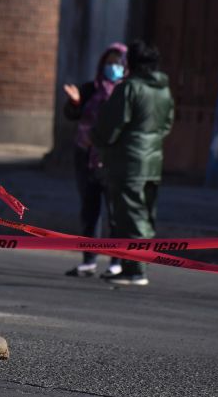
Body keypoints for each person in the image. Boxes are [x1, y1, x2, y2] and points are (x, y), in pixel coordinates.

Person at [90, 39, 175, 286]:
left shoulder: (129, 88)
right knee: (146, 213)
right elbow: (167, 124)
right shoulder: (164, 89)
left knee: (131, 216)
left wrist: (98, 141)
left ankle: (136, 269)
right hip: (154, 160)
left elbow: (110, 127)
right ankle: (137, 264)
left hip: (129, 162)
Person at [63, 43, 127, 278]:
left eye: (118, 62)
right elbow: (71, 115)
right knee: (89, 210)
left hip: (113, 159)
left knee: (115, 212)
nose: (113, 67)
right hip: (85, 157)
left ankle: (116, 261)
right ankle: (89, 260)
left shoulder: (126, 91)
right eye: (110, 62)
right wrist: (75, 104)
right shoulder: (91, 88)